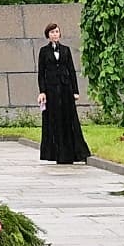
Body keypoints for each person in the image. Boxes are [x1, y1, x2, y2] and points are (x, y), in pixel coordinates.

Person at [35, 23, 89, 163]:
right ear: (48, 35)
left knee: (69, 119)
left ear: (60, 34)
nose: (54, 34)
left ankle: (75, 152)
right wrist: (42, 91)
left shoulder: (66, 50)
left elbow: (71, 70)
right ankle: (57, 153)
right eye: (52, 32)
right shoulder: (43, 51)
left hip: (66, 88)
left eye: (57, 32)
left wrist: (75, 91)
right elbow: (41, 73)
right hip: (51, 90)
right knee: (54, 119)